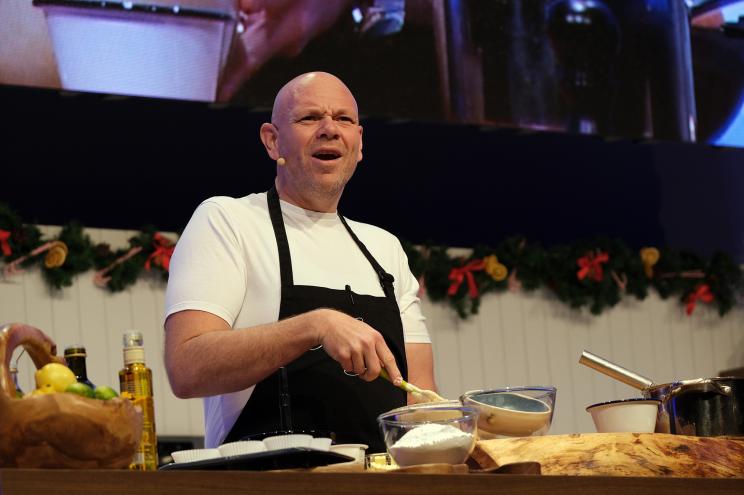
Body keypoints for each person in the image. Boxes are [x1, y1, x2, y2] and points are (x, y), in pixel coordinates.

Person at [164, 71, 436, 452]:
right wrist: (315, 326)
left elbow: (420, 402)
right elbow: (186, 369)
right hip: (267, 483)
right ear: (272, 141)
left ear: (359, 144)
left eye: (344, 119)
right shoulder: (228, 220)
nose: (330, 129)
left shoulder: (384, 247)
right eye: (310, 118)